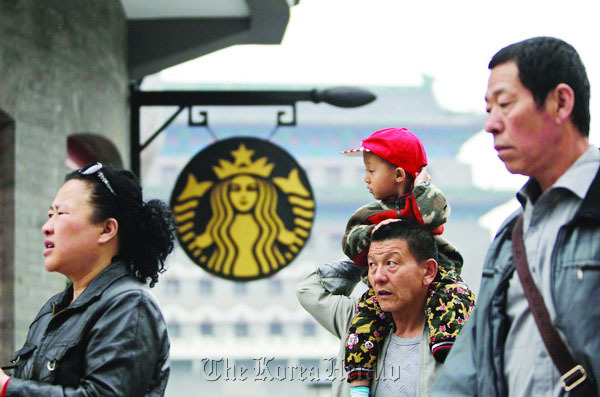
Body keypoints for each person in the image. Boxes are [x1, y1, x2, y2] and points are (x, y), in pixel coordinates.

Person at [432, 36, 600, 396]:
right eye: (488, 109)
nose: (491, 124)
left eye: (505, 104)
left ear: (561, 102)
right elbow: (469, 367)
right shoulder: (512, 237)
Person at [0, 162, 175, 396]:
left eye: (61, 214)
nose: (47, 227)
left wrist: (7, 388)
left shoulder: (130, 305)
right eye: (50, 214)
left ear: (107, 230)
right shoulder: (53, 309)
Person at [339, 128, 475, 396]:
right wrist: (371, 233)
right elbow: (349, 241)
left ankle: (446, 344)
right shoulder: (370, 214)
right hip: (389, 292)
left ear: (399, 175)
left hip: (439, 279)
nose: (366, 179)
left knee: (456, 296)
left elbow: (435, 216)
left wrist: (422, 186)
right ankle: (358, 382)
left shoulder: (425, 202)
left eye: (371, 171)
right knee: (364, 321)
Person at [297, 220, 442, 396]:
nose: (378, 277)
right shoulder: (358, 322)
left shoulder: (452, 334)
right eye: (372, 265)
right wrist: (360, 254)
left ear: (428, 271)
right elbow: (309, 289)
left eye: (391, 263)